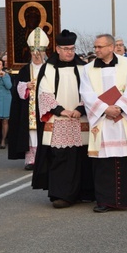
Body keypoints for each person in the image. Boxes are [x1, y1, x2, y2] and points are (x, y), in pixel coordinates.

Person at [79, 34, 127, 212]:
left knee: (124, 160)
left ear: (111, 47)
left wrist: (120, 108)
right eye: (95, 47)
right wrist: (104, 109)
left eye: (100, 47)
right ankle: (104, 200)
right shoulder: (87, 69)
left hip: (124, 121)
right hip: (102, 122)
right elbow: (86, 93)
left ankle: (125, 199)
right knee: (103, 163)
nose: (97, 50)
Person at [32, 29, 94, 208]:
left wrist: (81, 108)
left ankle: (84, 192)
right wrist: (60, 110)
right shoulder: (48, 68)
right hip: (58, 119)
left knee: (82, 155)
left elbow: (91, 91)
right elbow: (44, 92)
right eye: (66, 49)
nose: (69, 52)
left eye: (72, 49)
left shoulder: (84, 68)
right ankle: (62, 194)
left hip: (80, 118)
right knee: (61, 157)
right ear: (57, 49)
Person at [7, 28, 48, 170]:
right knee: (30, 133)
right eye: (34, 52)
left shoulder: (49, 69)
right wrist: (25, 86)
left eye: (39, 52)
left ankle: (44, 160)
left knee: (44, 132)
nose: (36, 55)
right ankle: (31, 160)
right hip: (29, 108)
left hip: (44, 106)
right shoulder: (25, 70)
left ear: (44, 53)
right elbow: (17, 87)